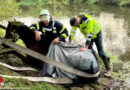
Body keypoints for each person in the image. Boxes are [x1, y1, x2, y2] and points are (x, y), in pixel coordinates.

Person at [30, 9, 68, 76]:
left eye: (46, 20)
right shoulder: (40, 24)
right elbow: (31, 27)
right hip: (47, 44)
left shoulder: (57, 24)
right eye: (43, 20)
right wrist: (36, 32)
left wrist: (59, 38)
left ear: (49, 17)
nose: (45, 22)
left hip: (57, 44)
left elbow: (66, 32)